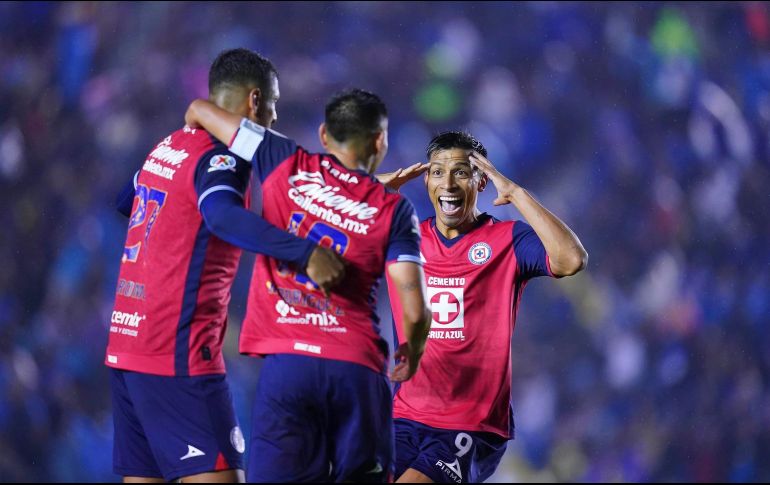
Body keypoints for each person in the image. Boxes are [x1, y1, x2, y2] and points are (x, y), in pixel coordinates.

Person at [107, 48, 344, 483]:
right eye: (273, 106)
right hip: (177, 356)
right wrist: (305, 253)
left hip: (128, 349)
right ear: (255, 102)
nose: (273, 118)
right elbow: (221, 215)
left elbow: (129, 201)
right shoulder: (224, 156)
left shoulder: (168, 145)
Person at [185, 88, 432, 482]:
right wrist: (413, 352)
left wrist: (195, 117)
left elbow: (202, 110)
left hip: (288, 366)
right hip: (355, 370)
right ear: (380, 141)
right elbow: (415, 309)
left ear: (323, 135)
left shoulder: (281, 156)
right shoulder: (394, 210)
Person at [381, 131, 588, 483]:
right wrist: (370, 188)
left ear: (481, 180)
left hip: (469, 425)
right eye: (437, 172)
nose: (447, 182)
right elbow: (316, 224)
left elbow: (571, 259)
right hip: (403, 416)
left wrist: (518, 194)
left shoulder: (508, 239)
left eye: (461, 172)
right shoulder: (405, 235)